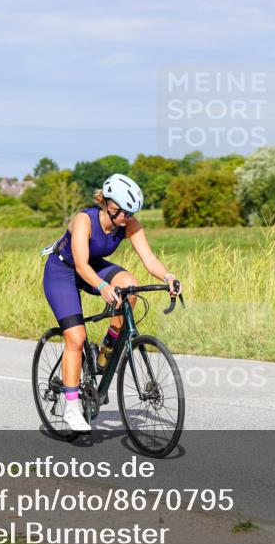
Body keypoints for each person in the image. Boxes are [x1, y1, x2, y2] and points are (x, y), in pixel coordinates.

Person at [41, 173, 182, 432]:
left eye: (131, 213)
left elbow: (149, 260)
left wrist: (168, 276)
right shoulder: (84, 220)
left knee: (129, 285)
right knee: (76, 338)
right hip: (63, 272)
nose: (128, 219)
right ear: (109, 205)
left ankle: (107, 349)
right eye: (124, 213)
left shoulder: (128, 223)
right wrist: (103, 286)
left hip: (94, 267)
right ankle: (72, 409)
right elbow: (81, 265)